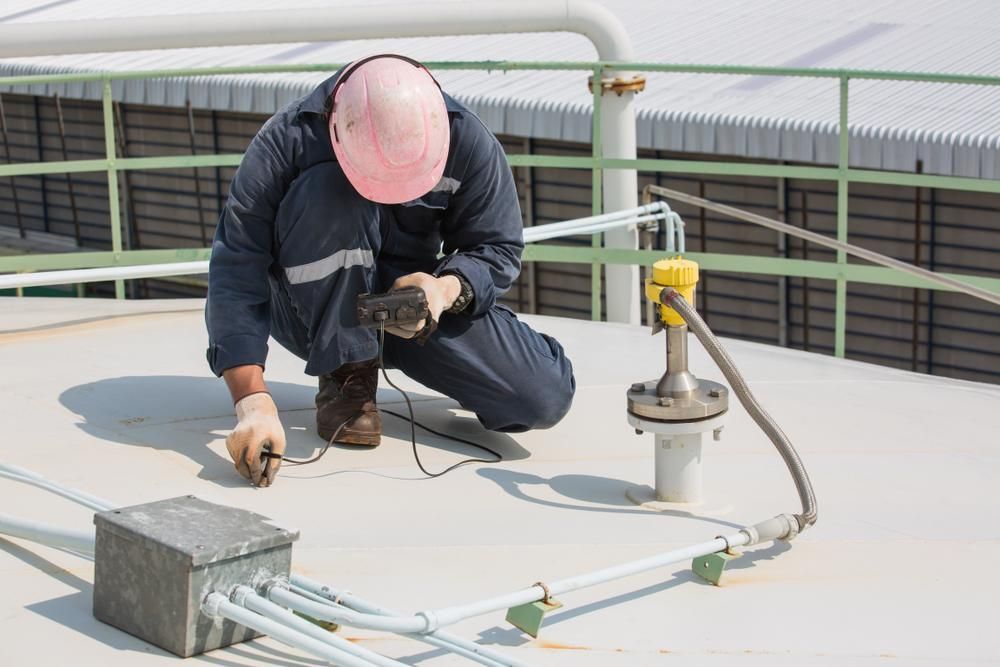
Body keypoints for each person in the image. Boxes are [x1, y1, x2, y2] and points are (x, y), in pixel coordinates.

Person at [206, 54, 576, 487]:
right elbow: (236, 269)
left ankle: (395, 341)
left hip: (412, 311)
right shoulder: (288, 141)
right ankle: (347, 372)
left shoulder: (465, 139)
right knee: (328, 192)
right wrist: (252, 401)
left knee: (541, 397)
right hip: (313, 314)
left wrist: (444, 290)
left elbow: (497, 248)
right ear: (340, 130)